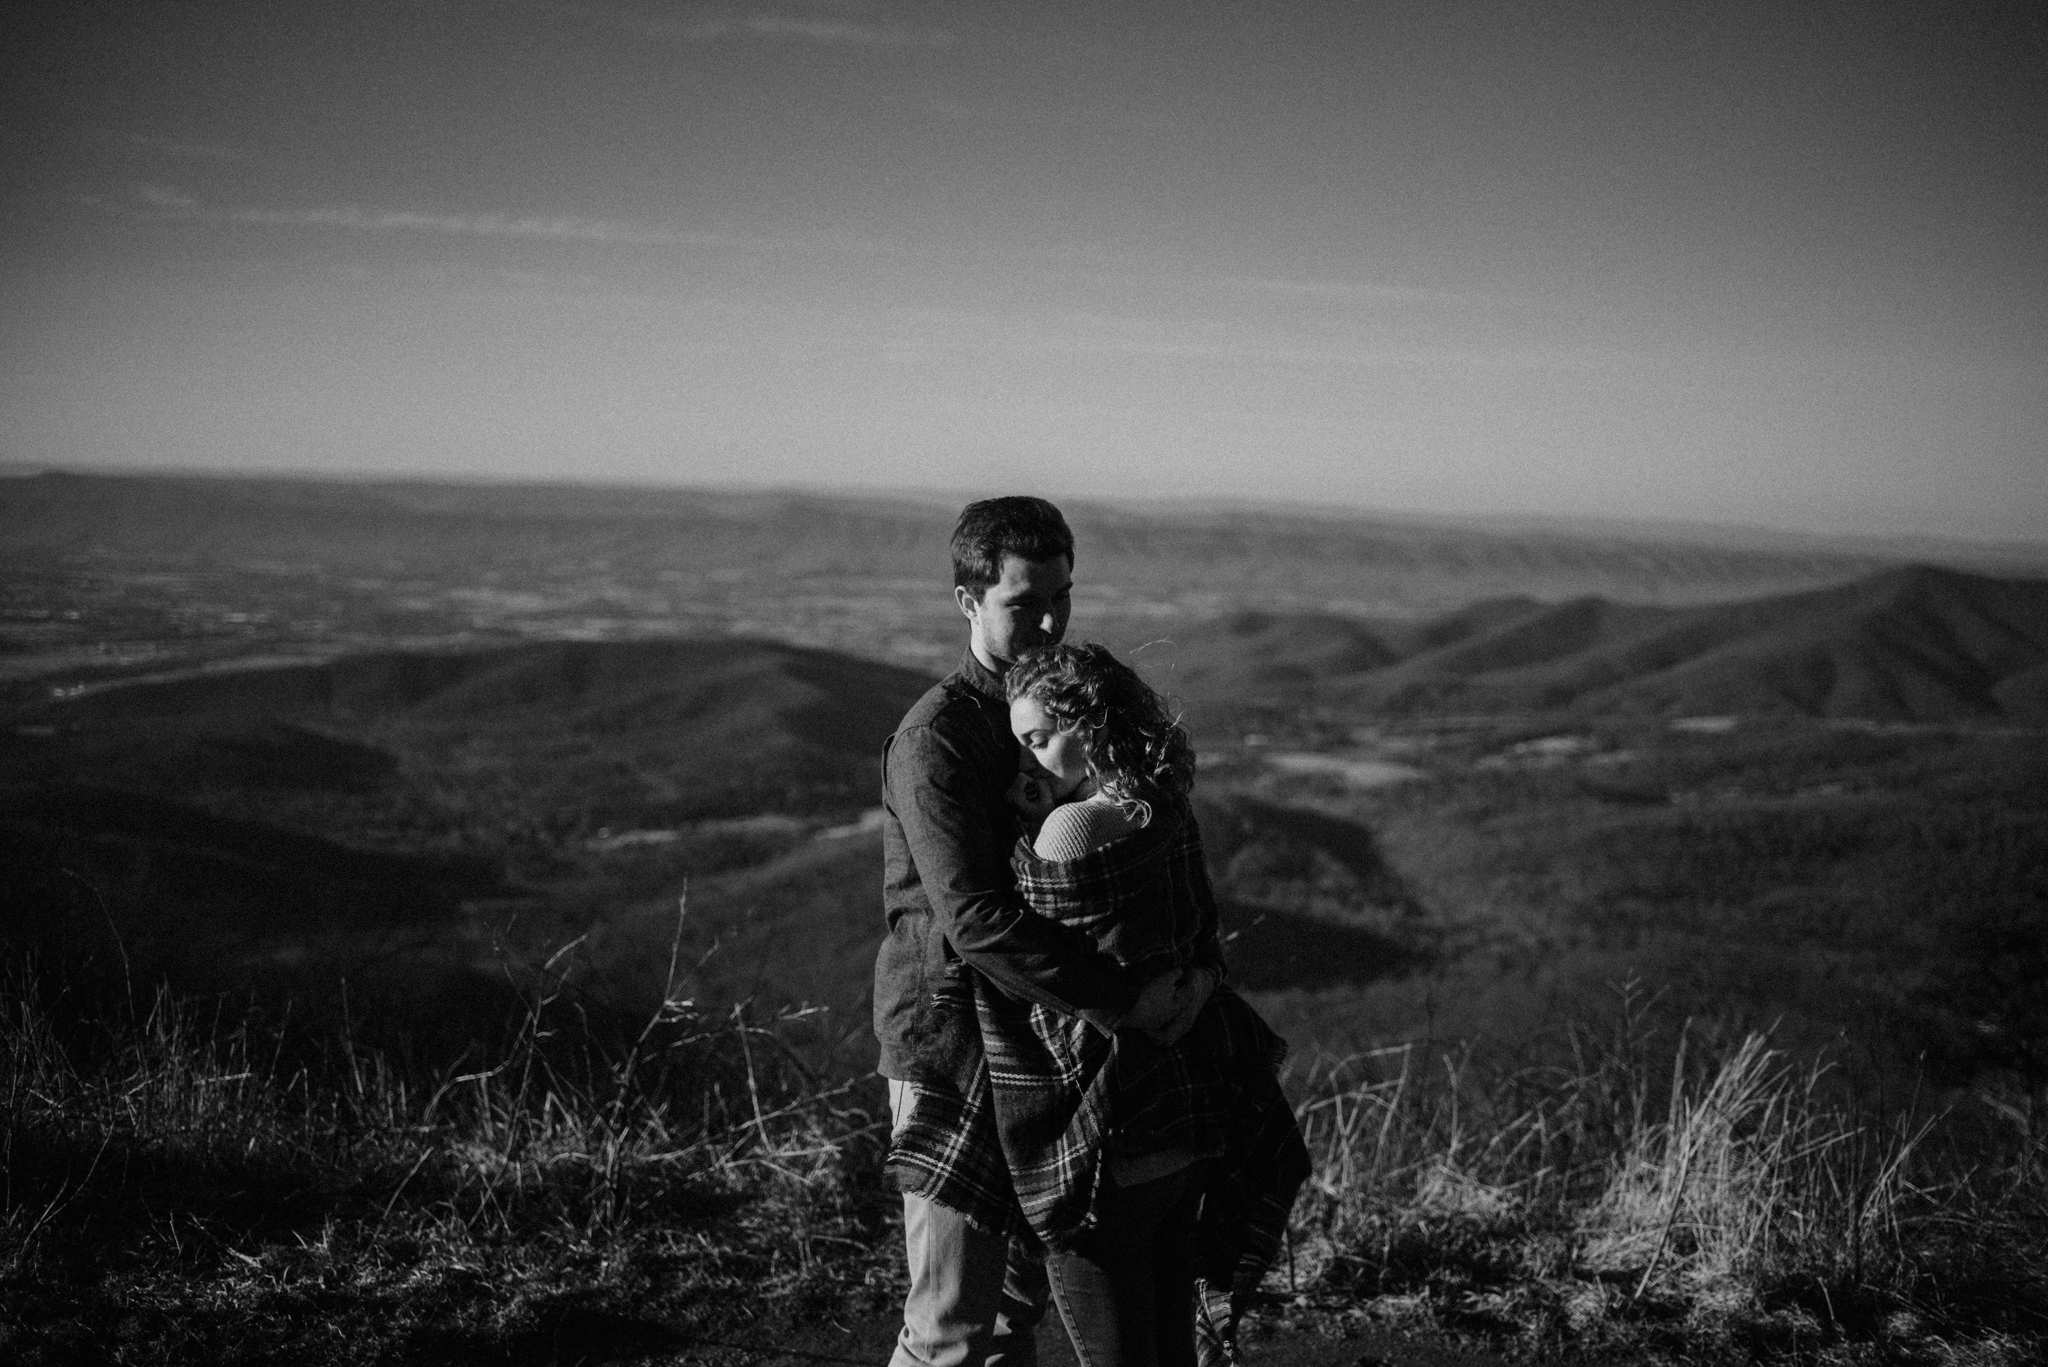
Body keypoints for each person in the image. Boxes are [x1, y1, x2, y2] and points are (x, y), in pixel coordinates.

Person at [876, 497, 1209, 1367]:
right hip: (951, 1048)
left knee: (1008, 1316)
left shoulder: (1064, 711)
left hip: (1041, 1057)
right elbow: (977, 920)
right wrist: (1127, 1001)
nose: (1052, 618)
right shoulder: (936, 739)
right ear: (969, 602)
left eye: (1063, 595)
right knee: (952, 1324)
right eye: (1027, 602)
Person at [979, 642, 1308, 1367]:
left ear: (1090, 727)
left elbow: (1011, 933)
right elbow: (1200, 937)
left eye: (1037, 740)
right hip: (1182, 1123)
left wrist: (1021, 817)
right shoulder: (1165, 809)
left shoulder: (1067, 828)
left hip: (1107, 1139)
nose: (1027, 764)